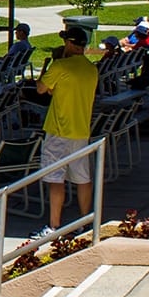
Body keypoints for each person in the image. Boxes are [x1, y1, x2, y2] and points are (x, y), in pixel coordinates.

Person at [32, 25, 99, 239]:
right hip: (81, 130)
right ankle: (84, 221)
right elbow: (58, 89)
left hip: (58, 130)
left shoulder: (60, 66)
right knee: (82, 177)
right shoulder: (91, 69)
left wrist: (49, 66)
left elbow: (41, 89)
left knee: (55, 178)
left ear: (69, 43)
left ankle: (53, 225)